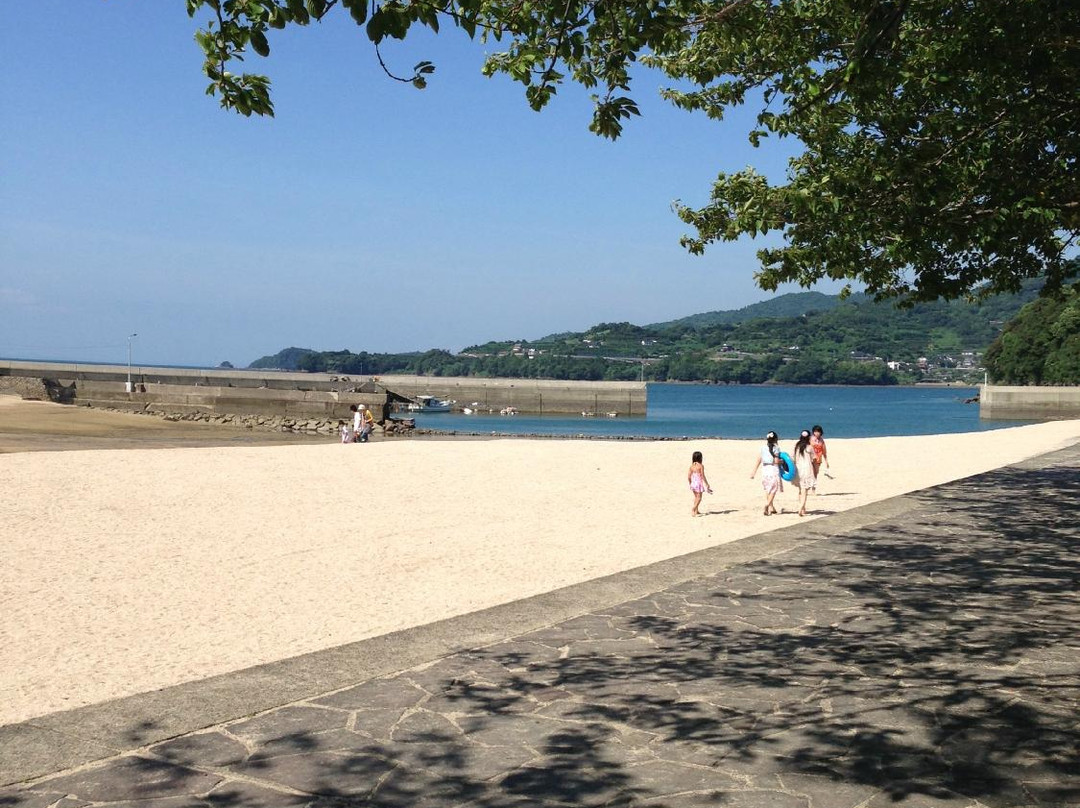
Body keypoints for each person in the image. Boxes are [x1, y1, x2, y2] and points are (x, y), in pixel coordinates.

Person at [750, 430, 783, 515]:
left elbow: (759, 460)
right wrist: (782, 461)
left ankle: (772, 507)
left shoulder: (763, 448)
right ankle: (767, 505)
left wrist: (753, 472)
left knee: (767, 487)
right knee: (774, 488)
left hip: (765, 469)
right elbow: (776, 461)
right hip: (773, 468)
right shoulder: (776, 448)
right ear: (776, 439)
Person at [792, 429, 816, 516]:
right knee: (805, 490)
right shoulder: (809, 447)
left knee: (801, 489)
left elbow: (792, 458)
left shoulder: (796, 446)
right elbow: (814, 459)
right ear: (809, 437)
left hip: (798, 469)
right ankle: (801, 508)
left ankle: (803, 508)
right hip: (807, 469)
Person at [687, 451, 713, 517]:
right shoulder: (701, 466)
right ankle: (694, 509)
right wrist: (707, 484)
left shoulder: (691, 466)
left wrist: (690, 483)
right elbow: (702, 476)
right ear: (700, 458)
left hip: (693, 483)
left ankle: (696, 510)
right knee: (699, 498)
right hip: (698, 484)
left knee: (696, 497)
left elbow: (689, 476)